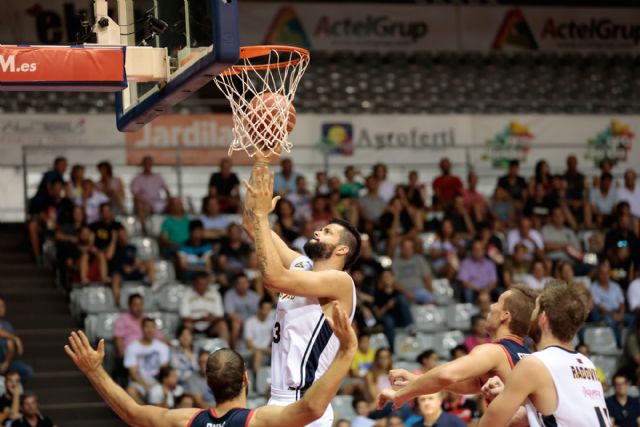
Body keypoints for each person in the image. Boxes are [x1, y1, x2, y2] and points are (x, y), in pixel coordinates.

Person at [65, 302, 357, 427]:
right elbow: (312, 408)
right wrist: (346, 351)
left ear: (207, 383)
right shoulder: (258, 421)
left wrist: (94, 371)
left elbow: (132, 413)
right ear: (245, 379)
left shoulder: (187, 420)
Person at [243, 163, 360, 427]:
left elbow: (273, 278)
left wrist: (263, 218)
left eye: (327, 232)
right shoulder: (301, 265)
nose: (318, 231)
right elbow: (250, 224)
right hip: (278, 397)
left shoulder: (340, 283)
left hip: (306, 402)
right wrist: (262, 157)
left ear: (342, 250)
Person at [377, 285, 537, 409]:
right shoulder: (526, 354)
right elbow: (467, 385)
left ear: (505, 315)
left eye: (498, 302)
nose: (491, 306)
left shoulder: (494, 351)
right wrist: (416, 380)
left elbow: (446, 375)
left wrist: (401, 395)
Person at [478, 281, 607, 427]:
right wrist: (512, 395)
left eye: (535, 308)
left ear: (543, 318)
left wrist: (508, 398)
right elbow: (557, 415)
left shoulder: (535, 364)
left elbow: (489, 423)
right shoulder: (586, 363)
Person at [124, 318, 171, 403]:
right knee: (131, 391)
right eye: (147, 327)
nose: (150, 330)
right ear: (142, 328)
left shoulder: (163, 347)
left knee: (165, 392)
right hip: (139, 380)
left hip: (156, 380)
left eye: (152, 327)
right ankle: (143, 414)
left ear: (155, 329)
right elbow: (133, 372)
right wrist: (145, 386)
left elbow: (164, 371)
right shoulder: (132, 347)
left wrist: (157, 386)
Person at [179, 272, 229, 342]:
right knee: (187, 325)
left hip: (211, 325)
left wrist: (211, 318)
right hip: (193, 324)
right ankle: (188, 351)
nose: (202, 286)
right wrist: (200, 319)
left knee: (222, 325)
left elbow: (220, 314)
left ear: (208, 284)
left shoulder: (215, 294)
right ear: (194, 283)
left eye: (205, 284)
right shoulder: (187, 294)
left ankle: (226, 351)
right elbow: (184, 316)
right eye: (200, 284)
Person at [590, 260, 628, 348]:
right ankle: (619, 345)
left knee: (634, 320)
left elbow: (622, 303)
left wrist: (621, 314)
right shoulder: (593, 287)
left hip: (618, 312)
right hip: (604, 314)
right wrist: (613, 315)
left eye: (607, 273)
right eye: (602, 273)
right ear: (598, 274)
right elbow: (599, 306)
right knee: (610, 321)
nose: (605, 276)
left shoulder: (616, 286)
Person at [130, 156, 171, 228]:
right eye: (146, 163)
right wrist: (147, 202)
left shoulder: (158, 177)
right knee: (140, 204)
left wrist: (169, 200)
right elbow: (135, 194)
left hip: (157, 202)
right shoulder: (137, 178)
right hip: (144, 203)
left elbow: (167, 190)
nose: (148, 165)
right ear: (142, 165)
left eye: (149, 163)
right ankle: (143, 228)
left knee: (175, 203)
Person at [224, 273, 260, 349]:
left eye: (245, 283)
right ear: (235, 284)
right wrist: (243, 322)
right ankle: (233, 349)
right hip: (237, 321)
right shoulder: (229, 294)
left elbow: (258, 313)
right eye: (240, 283)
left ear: (248, 284)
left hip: (252, 321)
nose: (242, 285)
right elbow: (230, 313)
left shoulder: (254, 296)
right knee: (236, 324)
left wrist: (249, 322)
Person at [391, 238, 433, 305]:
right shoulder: (396, 262)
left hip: (420, 290)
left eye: (410, 248)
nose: (408, 250)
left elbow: (427, 276)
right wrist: (406, 293)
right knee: (401, 301)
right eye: (405, 248)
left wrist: (430, 291)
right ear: (401, 249)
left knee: (430, 299)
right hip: (403, 293)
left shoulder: (419, 259)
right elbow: (394, 282)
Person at [0, 299, 32, 383]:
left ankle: (11, 390)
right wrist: (15, 338)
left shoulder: (7, 325)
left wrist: (7, 362)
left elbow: (13, 348)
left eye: (3, 306)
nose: (2, 308)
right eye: (0, 306)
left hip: (7, 361)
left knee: (27, 371)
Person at [244, 297, 274, 376]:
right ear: (259, 309)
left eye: (269, 309)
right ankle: (257, 382)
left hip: (266, 351)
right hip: (251, 352)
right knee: (258, 354)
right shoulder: (250, 322)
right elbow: (249, 345)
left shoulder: (272, 323)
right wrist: (265, 350)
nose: (266, 312)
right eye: (265, 309)